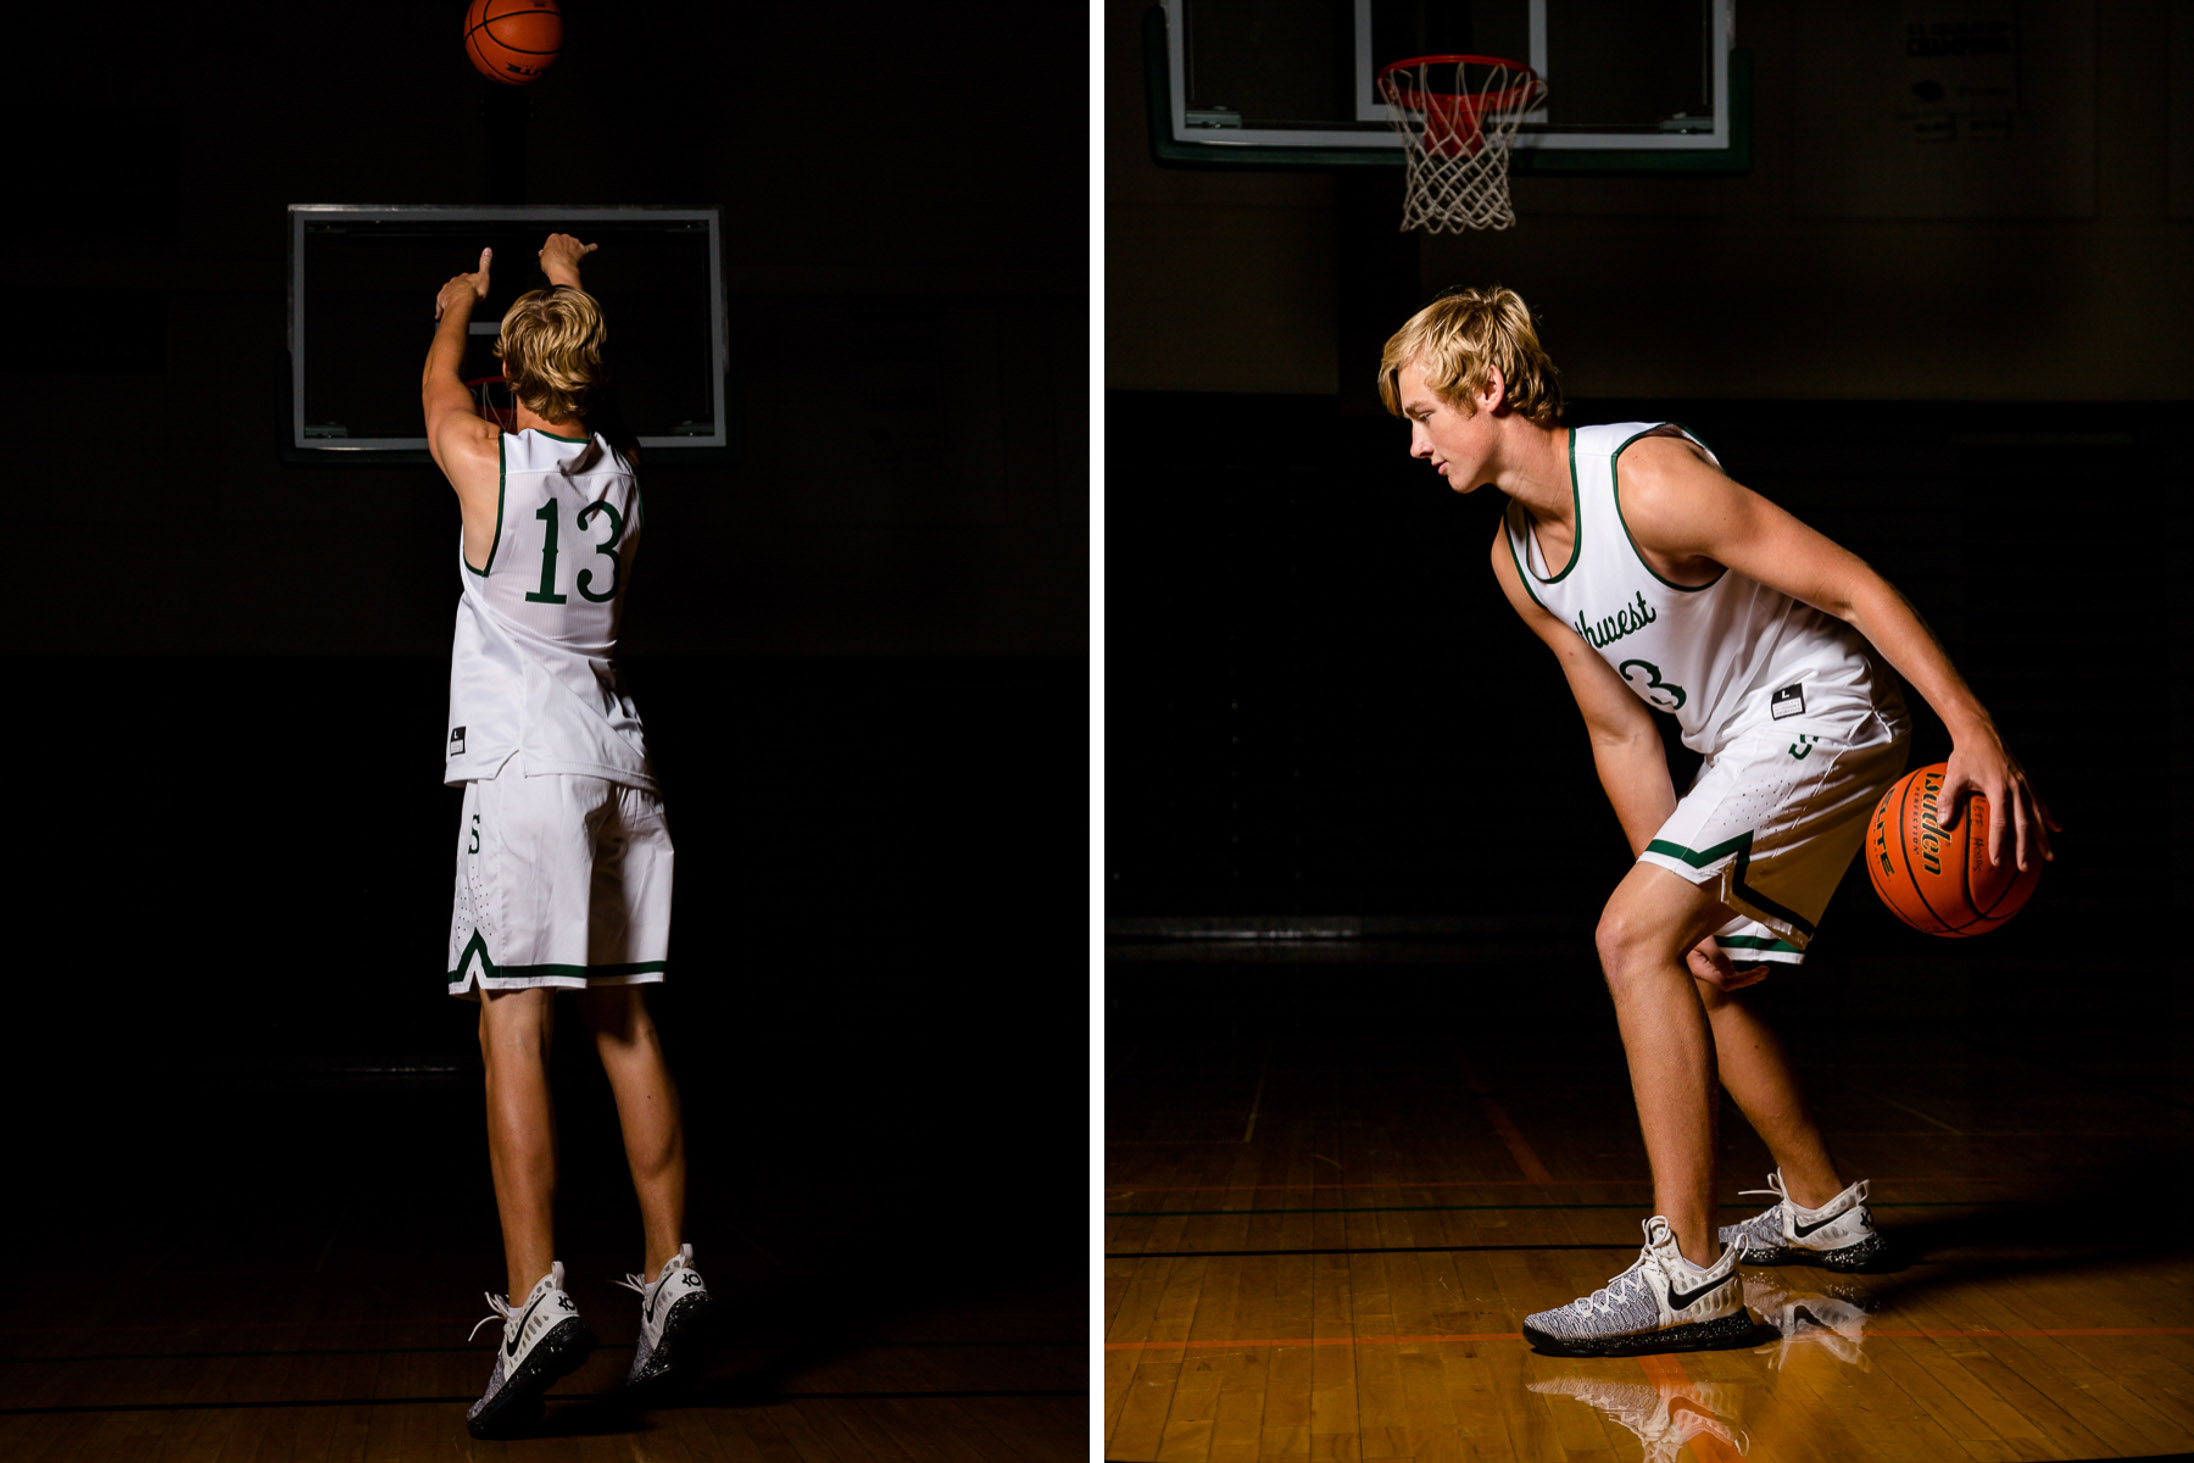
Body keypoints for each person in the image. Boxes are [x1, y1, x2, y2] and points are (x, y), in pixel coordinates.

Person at [1378, 287, 2056, 1358]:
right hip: (1738, 742)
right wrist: (1674, 899)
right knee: (1685, 957)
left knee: (1624, 936)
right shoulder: (1518, 561)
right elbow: (1619, 736)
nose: (1413, 443)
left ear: (1488, 388)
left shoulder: (1644, 480)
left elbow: (1850, 587)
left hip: (1825, 706)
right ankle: (1822, 1206)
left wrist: (1970, 729)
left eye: (1420, 414)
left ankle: (1688, 1274)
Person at [424, 234, 715, 1435]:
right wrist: (570, 280)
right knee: (626, 1019)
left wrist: (458, 308)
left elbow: (439, 385)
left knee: (512, 1028)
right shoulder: (629, 473)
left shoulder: (480, 455)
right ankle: (670, 1267)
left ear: (512, 373)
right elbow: (589, 399)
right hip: (622, 763)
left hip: (526, 765)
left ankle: (539, 1291)